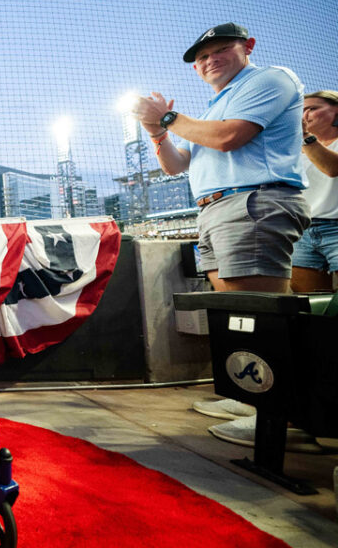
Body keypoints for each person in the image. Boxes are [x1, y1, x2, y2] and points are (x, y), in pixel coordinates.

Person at [133, 22, 313, 448]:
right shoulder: (214, 106)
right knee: (240, 317)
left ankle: (279, 416)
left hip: (253, 202)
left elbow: (231, 138)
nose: (208, 60)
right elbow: (176, 166)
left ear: (247, 47)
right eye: (200, 58)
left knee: (261, 316)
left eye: (220, 50)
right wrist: (158, 132)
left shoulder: (270, 78)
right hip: (217, 209)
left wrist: (170, 118)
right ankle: (255, 398)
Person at [291, 91, 338, 293]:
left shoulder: (305, 141)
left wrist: (304, 136)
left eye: (312, 108)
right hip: (302, 232)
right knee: (311, 304)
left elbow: (332, 168)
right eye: (300, 111)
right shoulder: (292, 149)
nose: (304, 115)